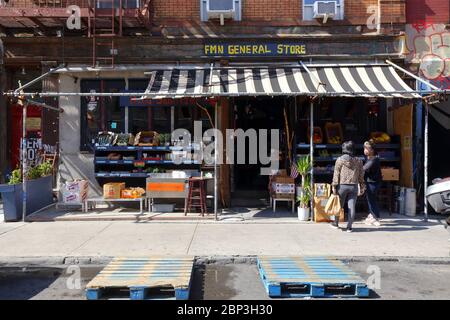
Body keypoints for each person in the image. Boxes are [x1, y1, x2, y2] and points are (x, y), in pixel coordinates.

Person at [331, 141, 366, 233]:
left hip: (342, 186)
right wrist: (362, 186)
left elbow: (336, 174)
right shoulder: (359, 160)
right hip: (354, 186)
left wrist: (334, 186)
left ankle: (336, 223)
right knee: (352, 206)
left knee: (339, 205)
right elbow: (361, 175)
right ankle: (349, 227)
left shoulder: (339, 160)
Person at [363, 141, 382, 227]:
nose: (365, 150)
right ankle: (372, 214)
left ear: (372, 150)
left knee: (372, 200)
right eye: (364, 148)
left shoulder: (374, 159)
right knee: (371, 199)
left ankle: (376, 217)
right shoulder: (369, 158)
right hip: (371, 182)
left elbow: (364, 168)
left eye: (367, 148)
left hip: (373, 183)